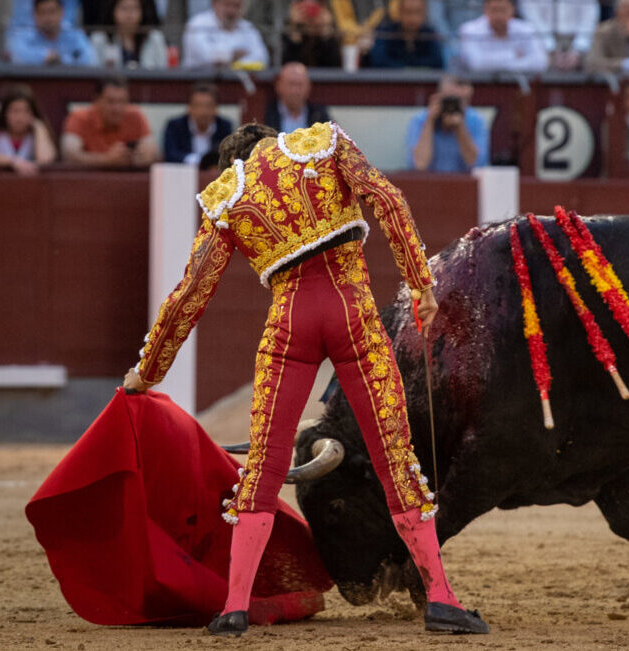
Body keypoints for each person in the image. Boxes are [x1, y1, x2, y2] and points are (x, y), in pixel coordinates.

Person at [122, 121, 491, 637]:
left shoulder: (229, 194)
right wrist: (420, 286)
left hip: (288, 325)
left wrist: (147, 371)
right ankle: (440, 598)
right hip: (352, 314)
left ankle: (233, 607)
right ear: (274, 140)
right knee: (394, 457)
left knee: (264, 469)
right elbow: (387, 199)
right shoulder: (324, 144)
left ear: (235, 162)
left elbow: (190, 294)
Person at [61, 76, 157, 167]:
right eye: (111, 101)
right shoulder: (79, 118)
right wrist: (106, 160)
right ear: (96, 100)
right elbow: (69, 155)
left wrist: (144, 156)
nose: (117, 108)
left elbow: (154, 152)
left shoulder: (135, 116)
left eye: (122, 101)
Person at [407, 74, 488, 173]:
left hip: (464, 184)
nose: (452, 107)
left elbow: (475, 164)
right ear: (439, 97)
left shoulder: (476, 121)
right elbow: (420, 165)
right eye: (449, 101)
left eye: (459, 102)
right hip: (429, 183)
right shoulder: (420, 120)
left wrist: (460, 128)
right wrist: (429, 121)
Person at [0, 84, 57, 174]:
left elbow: (45, 159)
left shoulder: (37, 130)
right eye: (15, 111)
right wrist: (13, 162)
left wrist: (39, 127)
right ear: (5, 113)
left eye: (26, 111)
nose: (20, 117)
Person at [457, 0, 548, 73]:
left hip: (516, 86)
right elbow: (476, 64)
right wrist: (512, 55)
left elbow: (540, 62)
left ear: (512, 10)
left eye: (503, 10)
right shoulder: (469, 30)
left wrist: (490, 61)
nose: (498, 15)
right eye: (494, 10)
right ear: (485, 10)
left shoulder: (526, 29)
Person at [163, 81, 233, 167]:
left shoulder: (224, 127)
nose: (203, 111)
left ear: (216, 108)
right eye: (198, 106)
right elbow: (170, 156)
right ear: (189, 108)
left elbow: (228, 157)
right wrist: (199, 161)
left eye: (208, 106)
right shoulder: (175, 126)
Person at [181, 0, 268, 69]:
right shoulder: (198, 24)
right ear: (214, 4)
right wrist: (234, 55)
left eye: (236, 6)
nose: (231, 11)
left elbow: (262, 57)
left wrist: (234, 64)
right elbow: (205, 56)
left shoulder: (248, 27)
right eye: (227, 5)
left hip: (237, 81)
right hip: (200, 82)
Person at [8, 0, 98, 65]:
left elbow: (89, 58)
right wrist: (44, 57)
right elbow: (16, 56)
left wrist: (61, 59)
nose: (48, 18)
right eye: (42, 12)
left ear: (61, 12)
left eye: (52, 12)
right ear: (34, 14)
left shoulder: (74, 34)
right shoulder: (24, 35)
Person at [517, 0, 599, 71]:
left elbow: (589, 19)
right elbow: (532, 19)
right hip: (540, 39)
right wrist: (550, 48)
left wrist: (578, 50)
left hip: (578, 39)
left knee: (593, 63)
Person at [89, 0, 168, 68]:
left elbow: (163, 71)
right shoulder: (99, 38)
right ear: (113, 10)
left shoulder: (155, 37)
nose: (129, 15)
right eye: (124, 8)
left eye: (134, 8)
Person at [368, 0, 444, 69]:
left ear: (424, 13)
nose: (413, 18)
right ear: (399, 12)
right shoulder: (386, 33)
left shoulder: (430, 34)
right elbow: (378, 62)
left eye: (417, 12)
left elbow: (437, 63)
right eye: (408, 12)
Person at [262, 62, 330, 134]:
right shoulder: (264, 113)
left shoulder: (319, 115)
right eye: (291, 84)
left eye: (299, 85)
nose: (295, 91)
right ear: (278, 86)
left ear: (308, 87)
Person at [282, 0, 341, 67]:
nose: (310, 14)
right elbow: (288, 69)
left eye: (315, 8)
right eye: (303, 8)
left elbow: (334, 70)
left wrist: (325, 32)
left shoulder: (330, 36)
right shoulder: (289, 35)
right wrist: (294, 29)